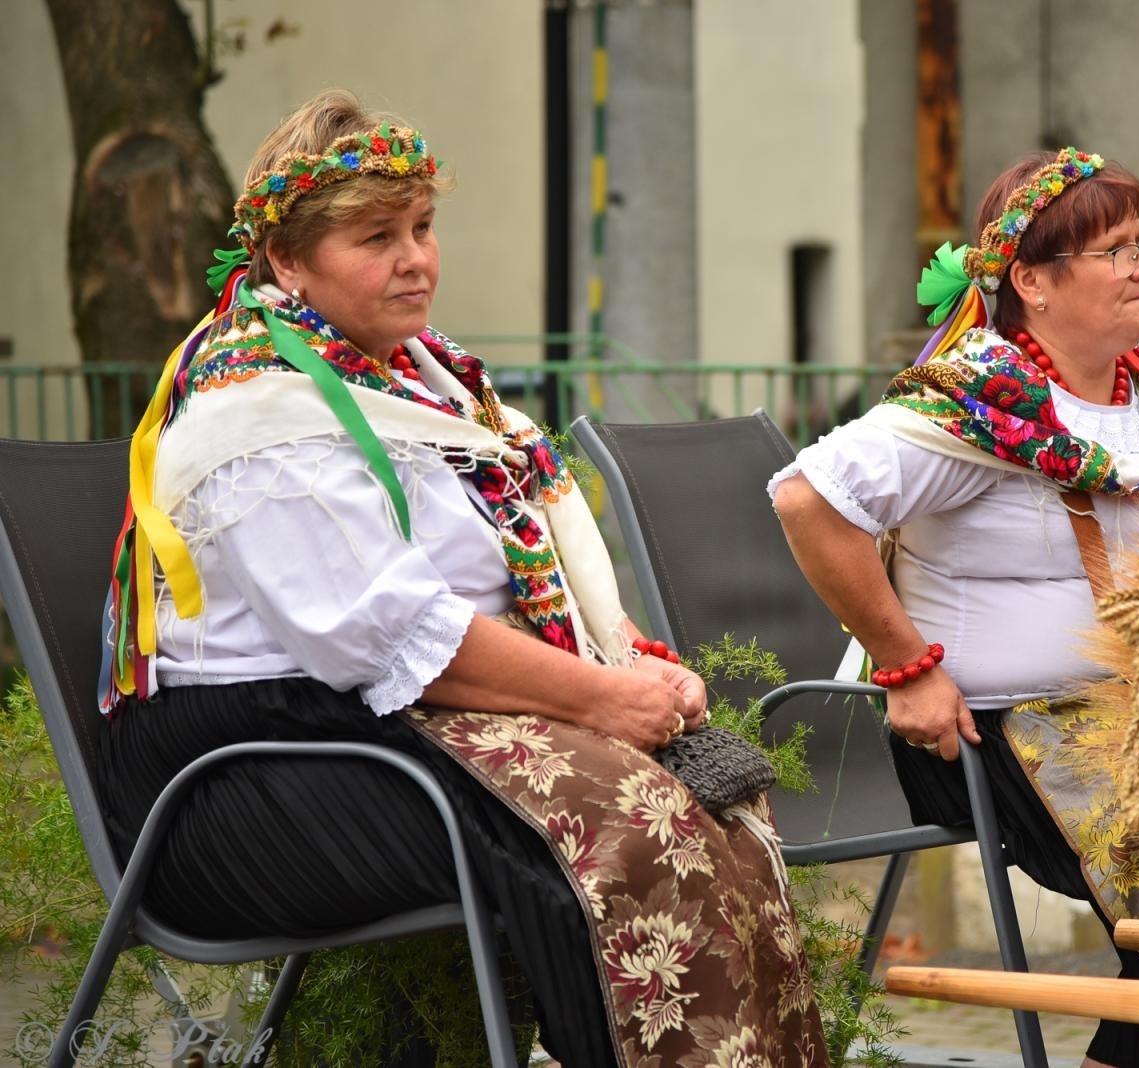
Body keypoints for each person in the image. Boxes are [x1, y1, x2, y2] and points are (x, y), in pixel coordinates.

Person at [96, 89, 826, 1067]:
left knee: (713, 796)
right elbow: (393, 632)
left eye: (423, 227)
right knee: (630, 822)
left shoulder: (428, 389)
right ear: (285, 259)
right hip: (254, 773)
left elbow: (492, 609)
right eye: (375, 236)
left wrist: (634, 672)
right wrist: (605, 701)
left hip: (382, 728)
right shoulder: (260, 421)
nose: (414, 258)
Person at [770, 148, 1139, 1068]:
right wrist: (906, 667)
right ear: (1032, 281)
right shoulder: (975, 405)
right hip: (990, 737)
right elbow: (805, 500)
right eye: (1118, 251)